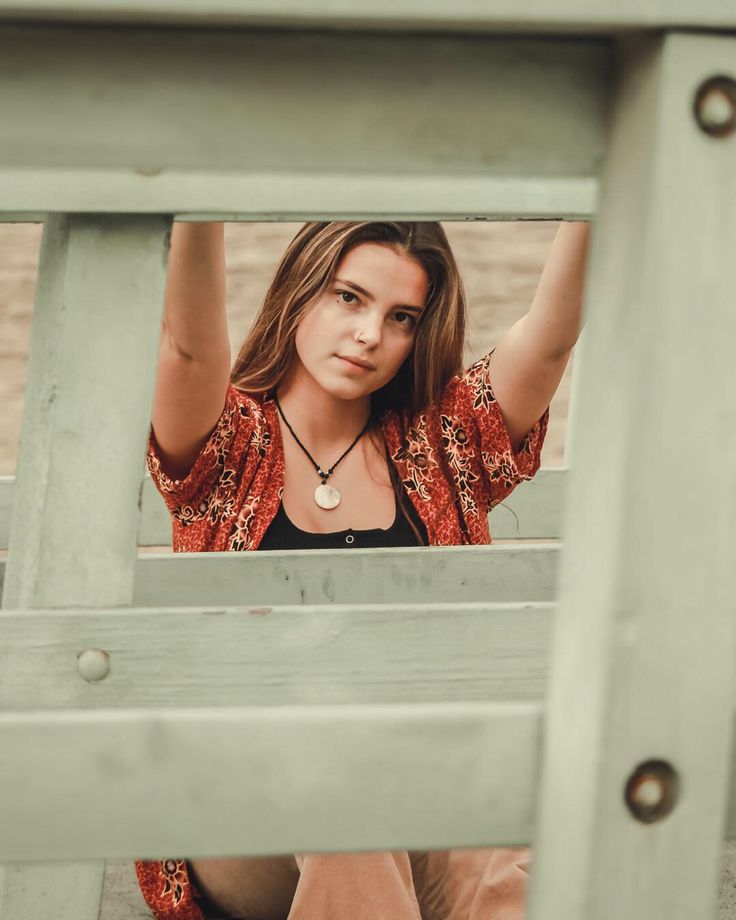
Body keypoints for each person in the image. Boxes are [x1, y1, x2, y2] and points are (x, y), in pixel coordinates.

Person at [135, 220, 589, 920]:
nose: (371, 333)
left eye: (400, 317)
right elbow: (186, 349)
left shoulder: (444, 444)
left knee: (491, 845)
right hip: (239, 806)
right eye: (349, 298)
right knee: (348, 804)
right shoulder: (229, 447)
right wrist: (197, 202)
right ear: (299, 291)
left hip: (417, 789)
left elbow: (553, 334)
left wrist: (608, 176)